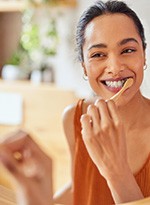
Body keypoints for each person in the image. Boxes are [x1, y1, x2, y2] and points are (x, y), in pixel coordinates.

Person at [1, 0, 150, 204]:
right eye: (98, 55)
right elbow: (79, 186)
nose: (114, 67)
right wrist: (37, 195)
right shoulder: (75, 118)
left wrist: (116, 171)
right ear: (84, 67)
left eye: (128, 50)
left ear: (144, 55)